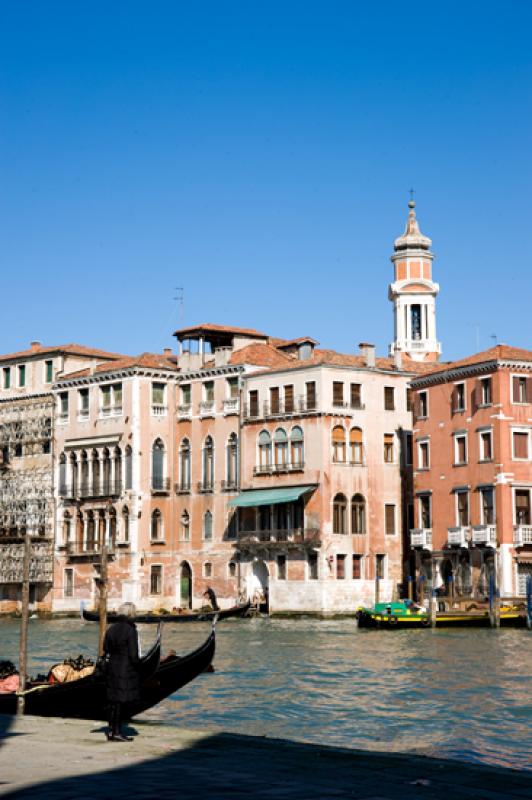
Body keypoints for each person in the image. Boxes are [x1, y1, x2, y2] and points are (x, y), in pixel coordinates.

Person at [103, 602, 141, 742]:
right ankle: (117, 732)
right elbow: (133, 655)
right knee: (121, 701)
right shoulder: (131, 630)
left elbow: (106, 648)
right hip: (125, 669)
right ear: (131, 614)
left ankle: (112, 730)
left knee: (114, 701)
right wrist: (139, 666)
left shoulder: (111, 629)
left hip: (112, 667)